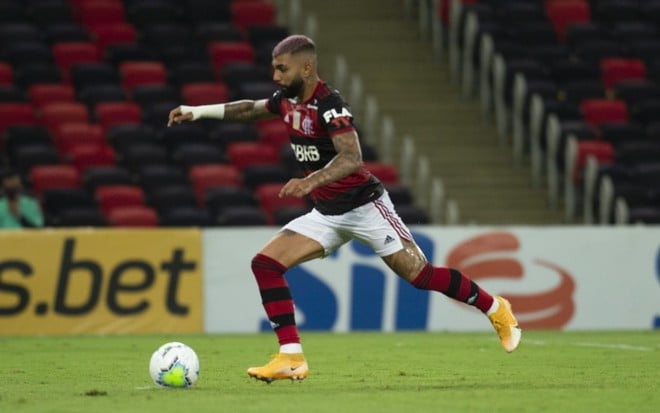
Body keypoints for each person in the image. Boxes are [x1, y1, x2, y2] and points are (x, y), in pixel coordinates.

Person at [168, 35, 521, 383]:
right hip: (327, 214)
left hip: (366, 206)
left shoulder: (329, 105)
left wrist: (309, 182)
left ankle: (495, 308)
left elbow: (352, 157)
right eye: (273, 68)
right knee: (265, 264)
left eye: (281, 68)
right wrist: (197, 111)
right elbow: (248, 109)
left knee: (421, 276)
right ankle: (291, 357)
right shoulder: (287, 101)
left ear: (306, 68)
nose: (275, 76)